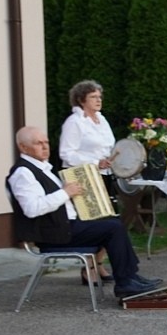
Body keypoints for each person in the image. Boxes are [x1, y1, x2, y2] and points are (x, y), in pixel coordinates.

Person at [7, 126, 163, 300]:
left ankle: (130, 277)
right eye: (38, 143)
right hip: (52, 234)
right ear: (23, 147)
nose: (45, 147)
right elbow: (32, 209)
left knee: (113, 221)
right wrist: (66, 192)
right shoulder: (23, 173)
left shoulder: (42, 169)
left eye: (46, 142)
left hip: (64, 226)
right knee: (113, 228)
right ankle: (126, 283)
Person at [59, 80, 117, 282]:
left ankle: (98, 262)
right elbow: (66, 153)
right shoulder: (74, 122)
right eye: (93, 97)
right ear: (82, 99)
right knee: (92, 221)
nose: (98, 100)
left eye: (100, 97)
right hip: (84, 177)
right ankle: (87, 267)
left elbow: (107, 146)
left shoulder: (102, 120)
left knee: (109, 219)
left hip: (104, 175)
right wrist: (94, 162)